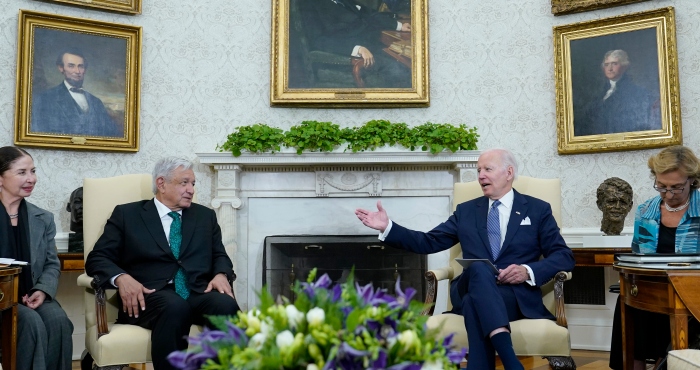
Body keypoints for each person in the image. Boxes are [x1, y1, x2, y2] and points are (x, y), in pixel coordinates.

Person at [355, 148, 575, 370]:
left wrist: (527, 271)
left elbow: (563, 256)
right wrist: (388, 227)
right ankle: (510, 360)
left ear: (509, 173)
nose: (480, 175)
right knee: (479, 269)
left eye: (488, 169)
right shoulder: (467, 211)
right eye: (478, 170)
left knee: (473, 303)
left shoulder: (537, 210)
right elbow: (428, 242)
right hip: (469, 284)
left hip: (513, 296)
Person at [85, 157, 240, 370]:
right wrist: (122, 278)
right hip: (148, 297)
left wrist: (221, 274)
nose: (191, 190)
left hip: (195, 292)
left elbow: (220, 256)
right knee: (174, 307)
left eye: (193, 184)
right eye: (183, 183)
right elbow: (97, 258)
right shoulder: (127, 214)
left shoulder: (205, 216)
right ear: (161, 184)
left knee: (226, 305)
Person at [609, 145, 700, 370]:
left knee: (676, 306)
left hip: (694, 289)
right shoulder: (645, 210)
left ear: (692, 180)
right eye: (662, 186)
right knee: (627, 301)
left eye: (677, 187)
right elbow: (638, 253)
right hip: (654, 286)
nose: (668, 194)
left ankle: (666, 362)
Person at [0, 146, 74, 370]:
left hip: (30, 294)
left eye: (33, 171)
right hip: (2, 299)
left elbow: (52, 263)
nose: (31, 178)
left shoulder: (43, 218)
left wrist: (42, 290)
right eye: (22, 172)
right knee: (30, 323)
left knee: (58, 321)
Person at [299, 0, 412, 88]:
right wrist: (357, 49)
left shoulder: (342, 1)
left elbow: (368, 14)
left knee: (407, 61)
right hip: (346, 58)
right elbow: (318, 41)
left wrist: (399, 25)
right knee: (402, 70)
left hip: (373, 47)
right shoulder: (309, 4)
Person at [31, 48, 122, 138]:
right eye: (71, 66)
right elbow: (39, 134)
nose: (77, 71)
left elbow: (112, 135)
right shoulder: (45, 99)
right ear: (61, 68)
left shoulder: (96, 102)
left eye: (80, 66)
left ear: (85, 70)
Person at [575, 49, 661, 136]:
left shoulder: (637, 93)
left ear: (624, 66)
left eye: (615, 64)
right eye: (606, 65)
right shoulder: (600, 94)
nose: (610, 69)